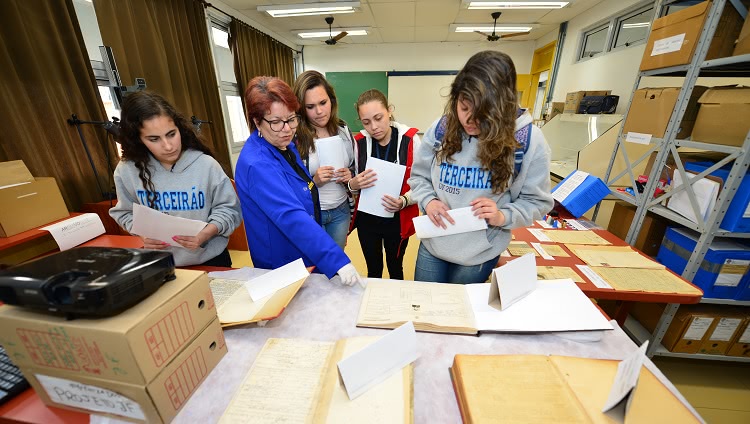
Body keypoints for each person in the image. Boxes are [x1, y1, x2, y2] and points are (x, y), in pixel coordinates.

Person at [408, 50, 554, 284]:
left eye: (482, 114)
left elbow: (536, 202)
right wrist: (429, 200)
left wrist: (501, 216)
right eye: (464, 108)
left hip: (479, 253)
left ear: (502, 108)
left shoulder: (527, 140)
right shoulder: (441, 129)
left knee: (462, 314)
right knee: (424, 308)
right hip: (434, 243)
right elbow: (419, 177)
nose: (469, 121)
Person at [234, 76, 362, 286]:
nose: (287, 129)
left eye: (291, 119)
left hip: (304, 250)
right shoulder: (257, 164)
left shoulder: (284, 145)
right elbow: (290, 215)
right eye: (276, 122)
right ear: (257, 121)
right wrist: (336, 259)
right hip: (281, 261)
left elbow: (304, 189)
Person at [110, 91, 242, 267]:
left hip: (210, 259)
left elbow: (230, 210)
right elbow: (125, 212)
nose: (168, 146)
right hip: (160, 262)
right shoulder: (126, 170)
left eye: (171, 134)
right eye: (154, 139)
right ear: (139, 140)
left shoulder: (206, 165)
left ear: (180, 128)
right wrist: (143, 234)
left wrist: (206, 233)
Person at [347, 89, 419, 280]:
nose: (374, 126)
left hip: (396, 221)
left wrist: (404, 200)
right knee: (373, 270)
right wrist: (353, 184)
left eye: (378, 118)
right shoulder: (358, 143)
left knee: (396, 269)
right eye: (366, 122)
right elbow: (350, 184)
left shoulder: (411, 140)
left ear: (389, 110)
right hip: (367, 221)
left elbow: (424, 183)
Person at [292, 70, 355, 249]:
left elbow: (354, 165)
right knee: (313, 266)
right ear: (301, 108)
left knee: (336, 263)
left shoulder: (343, 129)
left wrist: (349, 174)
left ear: (331, 100)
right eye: (310, 107)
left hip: (341, 210)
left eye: (323, 103)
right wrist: (313, 182)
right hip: (312, 213)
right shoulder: (294, 137)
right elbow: (288, 185)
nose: (319, 112)